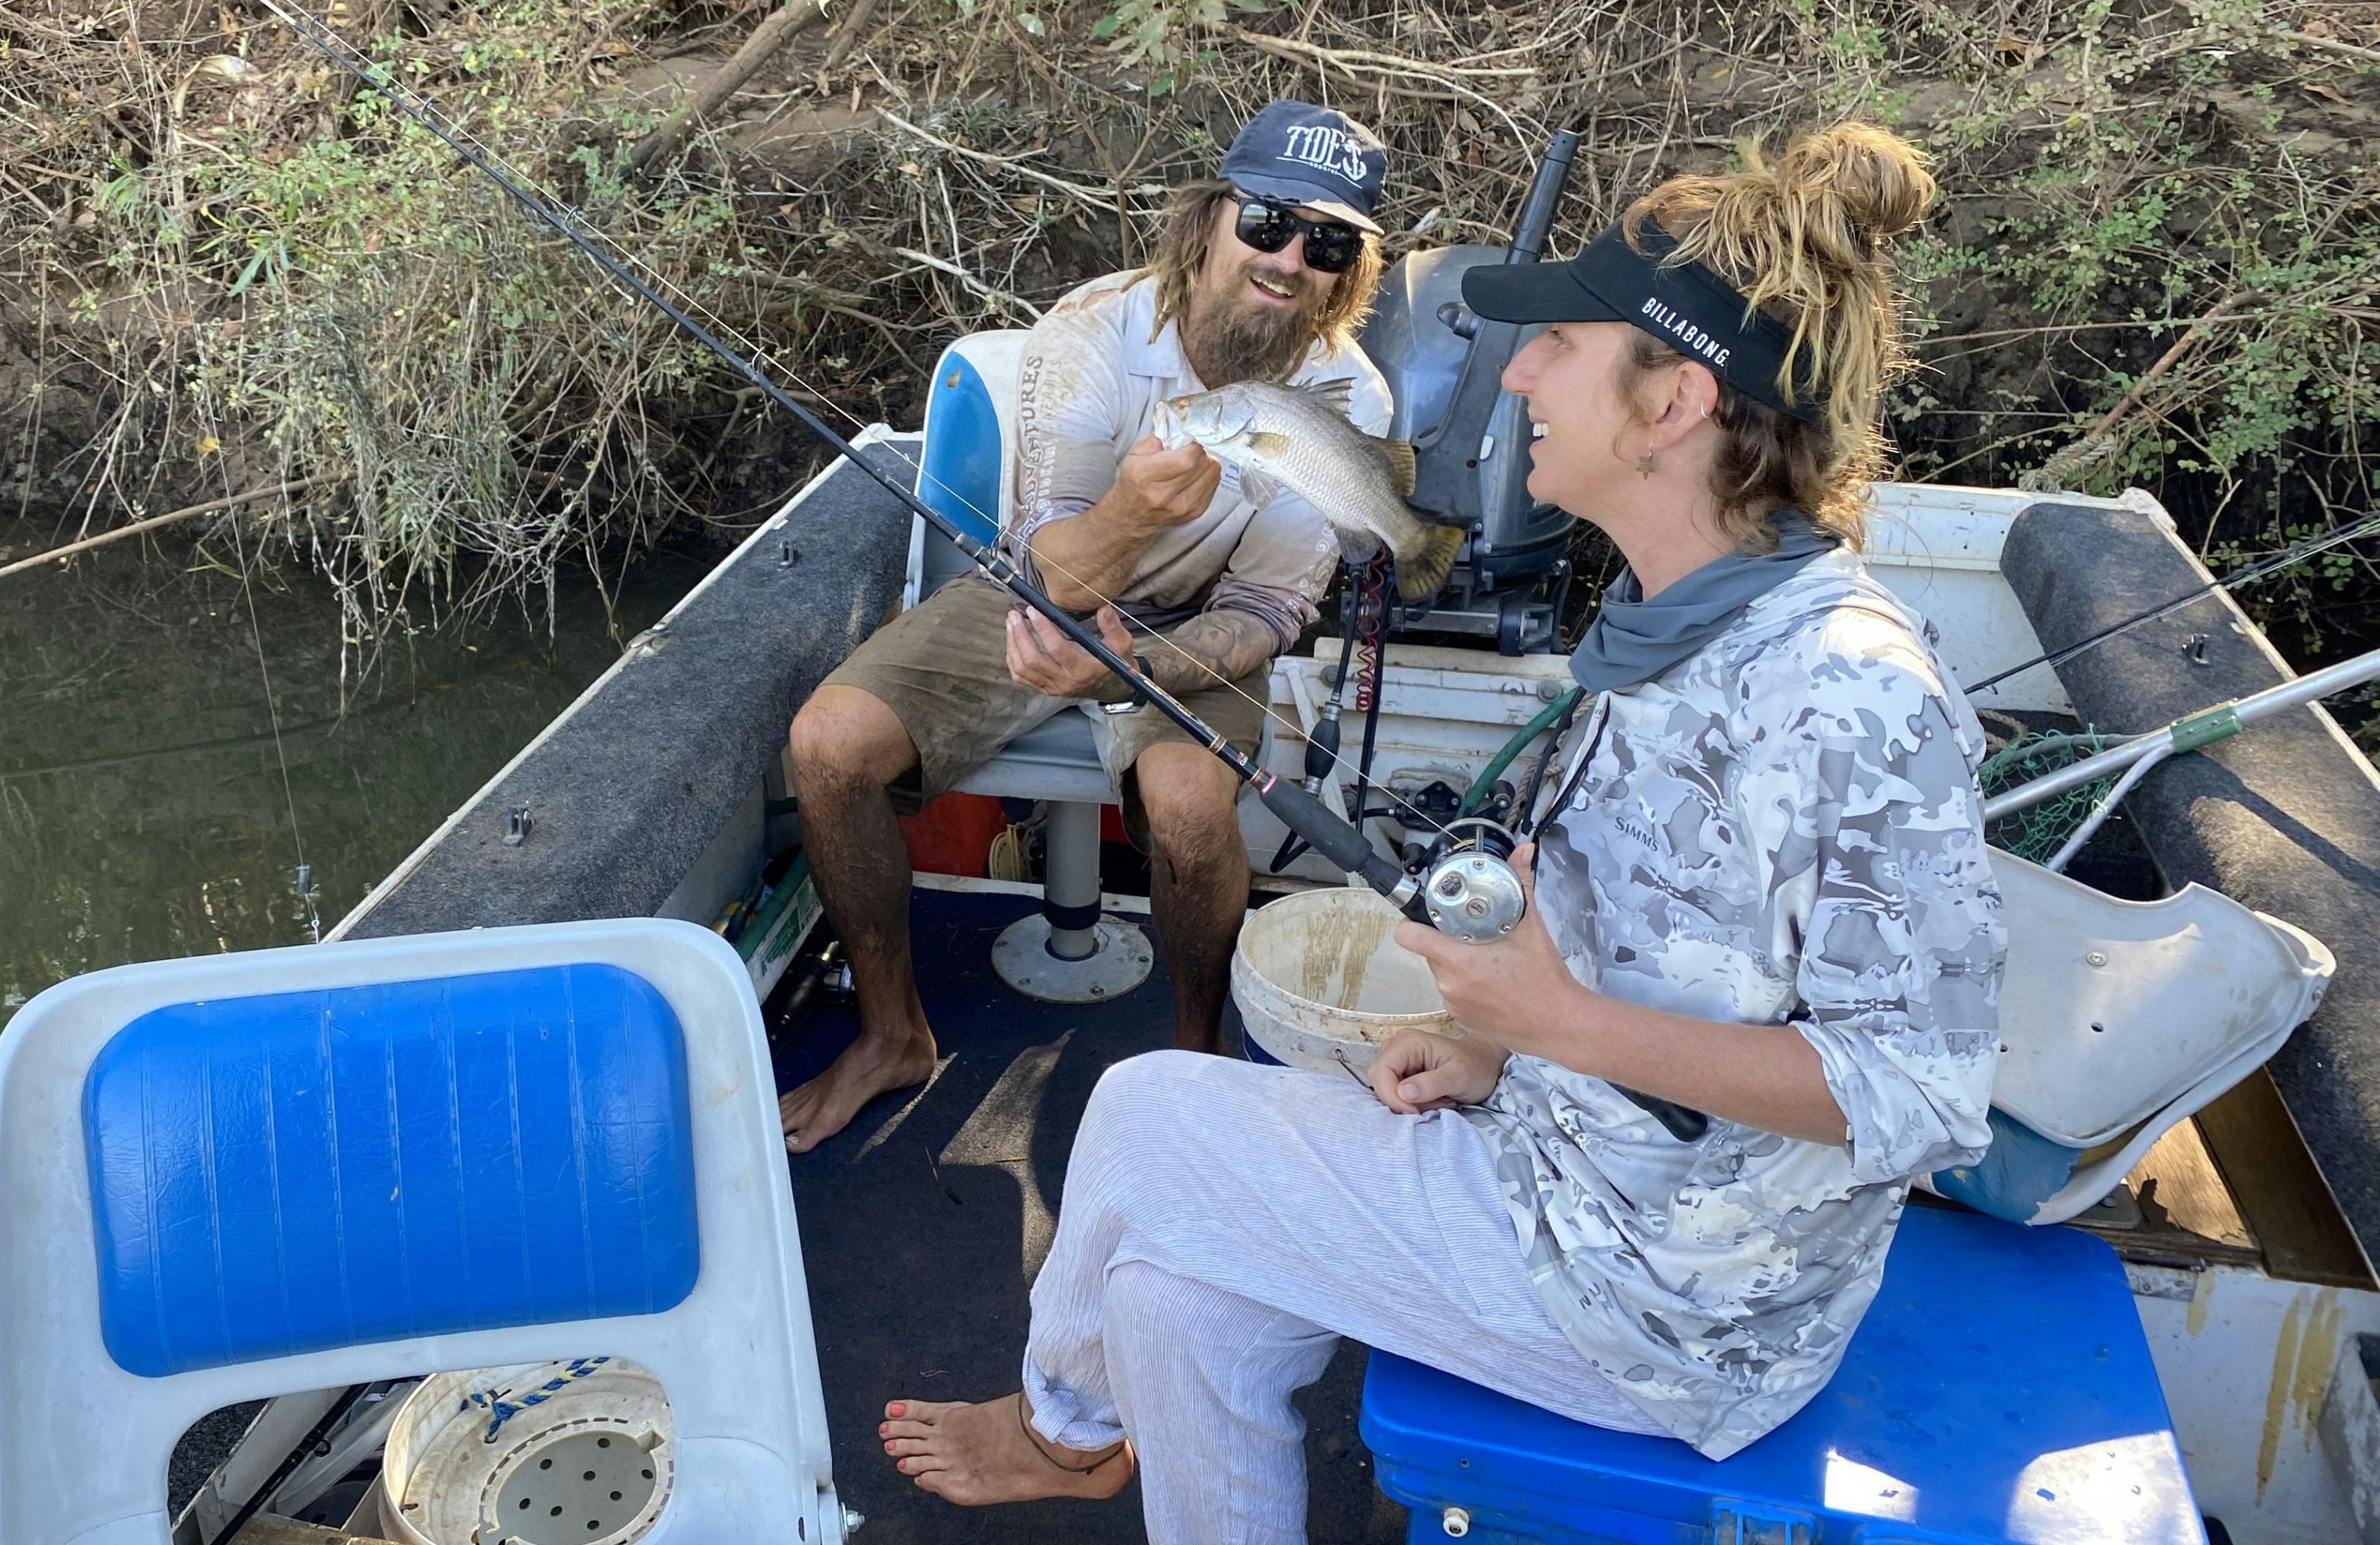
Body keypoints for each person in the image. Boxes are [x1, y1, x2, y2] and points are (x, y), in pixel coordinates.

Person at [874, 121, 2007, 1539]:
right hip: (1555, 1156)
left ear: (1673, 406)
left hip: (1669, 1297)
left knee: (1146, 1115)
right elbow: (1670, 960)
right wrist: (1495, 1044)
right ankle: (1123, 1438)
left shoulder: (1849, 698)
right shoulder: (1671, 623)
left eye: (1560, 348)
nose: (1516, 373)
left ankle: (1058, 1427)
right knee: (1169, 1297)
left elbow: (1923, 1096)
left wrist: (1557, 1025)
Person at [778, 101, 1397, 1153]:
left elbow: (1264, 612)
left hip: (1199, 628)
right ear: (1211, 217)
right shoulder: (1090, 331)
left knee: (1196, 813)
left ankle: (1196, 1064)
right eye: (1267, 222)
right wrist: (1132, 517)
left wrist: (1123, 672)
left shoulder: (1348, 397)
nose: (1290, 258)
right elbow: (1051, 564)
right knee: (825, 746)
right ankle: (893, 1036)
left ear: (1349, 271)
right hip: (1049, 592)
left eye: (1328, 243)